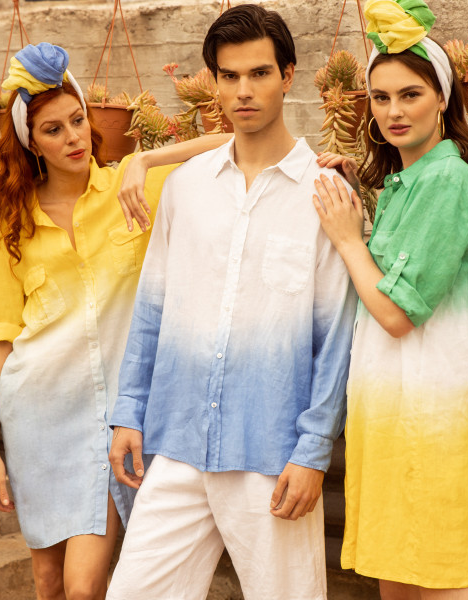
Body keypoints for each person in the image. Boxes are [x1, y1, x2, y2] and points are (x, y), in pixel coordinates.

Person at [106, 5, 358, 599]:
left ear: (288, 76)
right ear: (215, 82)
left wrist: (314, 451)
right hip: (177, 440)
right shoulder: (185, 187)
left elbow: (337, 339)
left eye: (259, 73)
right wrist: (128, 411)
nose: (243, 90)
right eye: (229, 76)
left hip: (270, 453)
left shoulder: (327, 195)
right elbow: (151, 309)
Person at [0, 42, 229, 600]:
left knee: (84, 584)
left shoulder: (129, 188)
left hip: (117, 418)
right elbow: (0, 340)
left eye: (77, 120)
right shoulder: (10, 226)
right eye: (52, 129)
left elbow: (233, 142)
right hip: (39, 417)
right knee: (48, 582)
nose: (72, 137)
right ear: (31, 142)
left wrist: (145, 160)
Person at [313, 1, 468, 598]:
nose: (393, 111)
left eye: (410, 94)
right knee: (398, 576)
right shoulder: (407, 181)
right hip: (393, 417)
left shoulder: (448, 179)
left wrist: (347, 239)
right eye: (380, 97)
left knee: (443, 578)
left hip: (431, 422)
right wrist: (359, 204)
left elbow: (395, 313)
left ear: (442, 97)